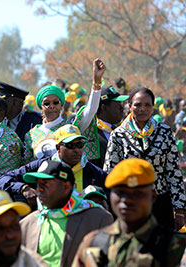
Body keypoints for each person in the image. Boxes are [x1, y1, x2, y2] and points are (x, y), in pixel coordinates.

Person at [74, 158, 186, 267]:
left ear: (152, 196)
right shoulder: (93, 243)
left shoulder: (176, 246)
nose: (127, 199)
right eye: (120, 192)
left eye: (137, 193)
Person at [104, 87, 186, 230]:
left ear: (153, 107)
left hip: (160, 202)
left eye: (147, 105)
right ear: (129, 106)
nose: (142, 109)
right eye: (137, 105)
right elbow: (110, 173)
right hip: (130, 202)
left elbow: (173, 172)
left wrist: (179, 210)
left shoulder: (165, 132)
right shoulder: (118, 135)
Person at [20, 160, 113, 267]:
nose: (39, 189)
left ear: (65, 186)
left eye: (45, 184)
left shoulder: (98, 218)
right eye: (38, 184)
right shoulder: (28, 224)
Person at [0, 124, 107, 207]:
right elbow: (3, 179)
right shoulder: (41, 165)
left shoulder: (95, 172)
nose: (76, 150)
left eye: (80, 145)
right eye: (70, 145)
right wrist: (23, 188)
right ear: (58, 148)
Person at [23, 58, 106, 164]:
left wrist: (96, 82)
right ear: (41, 107)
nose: (51, 106)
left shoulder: (71, 126)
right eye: (47, 103)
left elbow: (90, 111)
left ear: (61, 105)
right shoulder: (31, 134)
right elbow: (26, 164)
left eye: (55, 102)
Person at [86, 85, 129, 168]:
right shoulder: (92, 135)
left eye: (121, 104)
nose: (121, 108)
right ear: (104, 107)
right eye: (117, 104)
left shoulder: (124, 130)